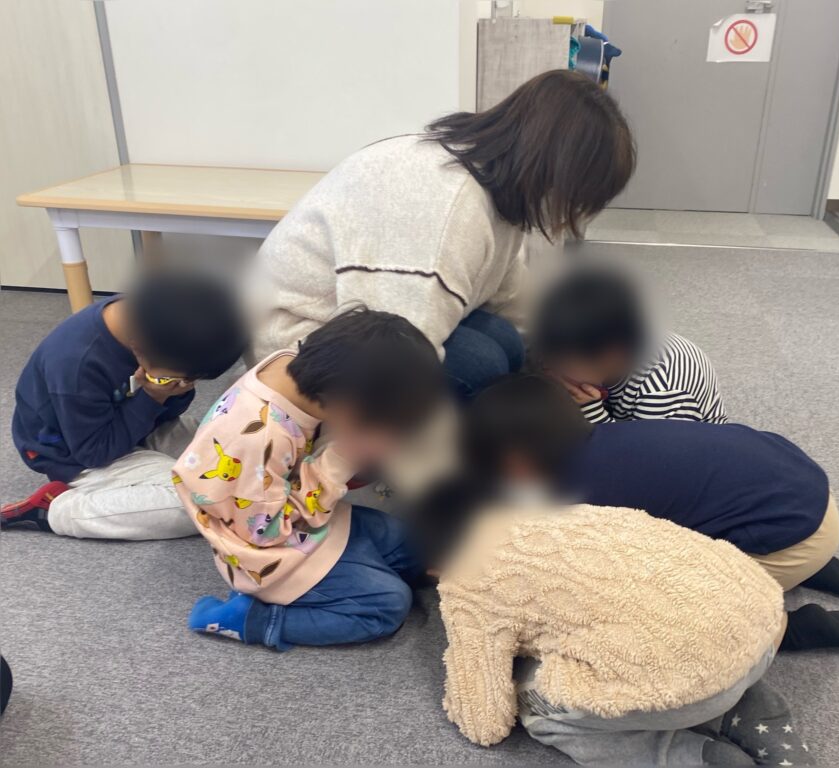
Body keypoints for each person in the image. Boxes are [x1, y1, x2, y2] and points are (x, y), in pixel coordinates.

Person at [249, 70, 635, 400]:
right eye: (578, 197)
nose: (572, 212)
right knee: (481, 364)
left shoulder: (491, 180)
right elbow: (386, 366)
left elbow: (510, 293)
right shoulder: (444, 210)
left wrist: (556, 356)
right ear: (553, 171)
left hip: (370, 323)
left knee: (505, 344)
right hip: (296, 346)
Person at [456, 374, 839, 652]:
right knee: (698, 504)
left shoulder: (580, 500)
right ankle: (797, 559)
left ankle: (788, 627)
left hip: (794, 535)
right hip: (803, 487)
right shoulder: (605, 436)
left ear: (517, 462)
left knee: (657, 606)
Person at [434, 500, 814, 766]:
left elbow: (484, 722)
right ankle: (751, 709)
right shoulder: (556, 512)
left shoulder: (463, 583)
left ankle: (690, 755)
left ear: (433, 567)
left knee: (535, 709)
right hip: (763, 619)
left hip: (695, 682)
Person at [177, 307, 444, 650]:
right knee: (388, 605)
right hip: (267, 554)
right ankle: (252, 619)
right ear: (349, 404)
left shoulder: (292, 366)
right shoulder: (258, 437)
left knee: (410, 542)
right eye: (385, 422)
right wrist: (345, 456)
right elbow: (266, 533)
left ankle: (369, 571)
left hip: (301, 512)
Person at [3, 271, 248, 539]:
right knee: (198, 502)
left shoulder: (157, 320)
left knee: (238, 451)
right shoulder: (76, 364)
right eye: (186, 377)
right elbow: (94, 453)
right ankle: (56, 509)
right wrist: (153, 396)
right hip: (76, 456)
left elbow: (170, 414)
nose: (189, 383)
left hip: (139, 427)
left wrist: (168, 391)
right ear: (139, 349)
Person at [534, 264, 728, 424]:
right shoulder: (582, 339)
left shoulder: (661, 391)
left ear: (615, 354)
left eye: (568, 362)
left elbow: (647, 456)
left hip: (674, 440)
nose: (557, 368)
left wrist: (591, 412)